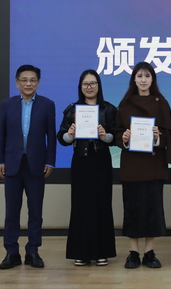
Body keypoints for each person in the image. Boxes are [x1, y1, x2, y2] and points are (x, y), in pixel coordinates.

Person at [0, 64, 56, 269]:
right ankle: (11, 252)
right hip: (12, 165)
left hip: (37, 166)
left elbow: (51, 136)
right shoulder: (7, 105)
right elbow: (0, 135)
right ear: (17, 83)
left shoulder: (47, 105)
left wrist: (50, 161)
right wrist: (0, 160)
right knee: (12, 212)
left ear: (38, 83)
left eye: (32, 80)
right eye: (24, 80)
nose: (28, 84)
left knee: (35, 212)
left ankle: (33, 251)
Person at [115, 61, 171, 269]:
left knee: (152, 210)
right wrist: (124, 137)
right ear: (133, 79)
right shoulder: (125, 104)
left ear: (152, 79)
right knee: (132, 209)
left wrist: (158, 136)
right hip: (132, 165)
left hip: (154, 165)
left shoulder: (161, 103)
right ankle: (133, 252)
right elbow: (117, 133)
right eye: (139, 76)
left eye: (147, 76)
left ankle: (149, 252)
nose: (143, 80)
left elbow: (169, 136)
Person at [57, 70, 117, 266]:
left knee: (102, 204)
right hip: (81, 161)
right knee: (81, 205)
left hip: (101, 161)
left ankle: (102, 252)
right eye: (85, 84)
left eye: (93, 83)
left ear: (99, 86)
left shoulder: (109, 109)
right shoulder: (72, 110)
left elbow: (116, 138)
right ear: (80, 87)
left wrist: (105, 136)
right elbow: (61, 138)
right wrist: (70, 135)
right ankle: (81, 252)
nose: (89, 87)